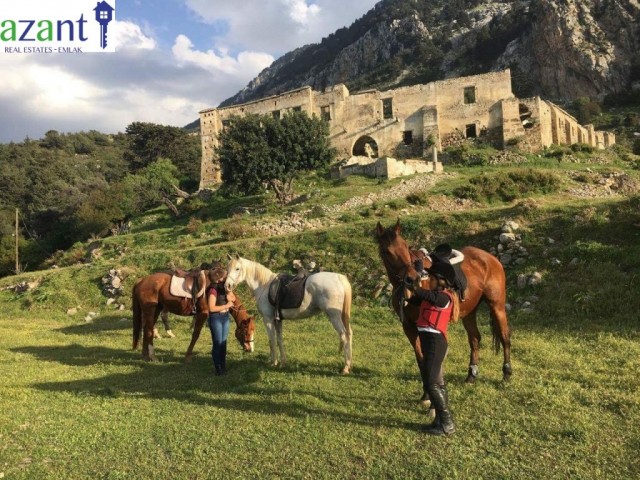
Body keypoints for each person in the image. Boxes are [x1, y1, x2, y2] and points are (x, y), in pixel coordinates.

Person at [407, 261, 458, 435]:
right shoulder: (432, 294)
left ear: (442, 281)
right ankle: (439, 421)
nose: (431, 281)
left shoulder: (445, 297)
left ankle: (447, 423)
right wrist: (407, 287)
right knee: (436, 381)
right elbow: (413, 299)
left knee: (430, 382)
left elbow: (426, 295)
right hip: (428, 341)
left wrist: (416, 286)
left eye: (433, 278)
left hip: (436, 342)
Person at [207, 279, 236, 376]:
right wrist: (226, 305)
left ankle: (223, 366)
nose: (223, 279)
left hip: (225, 317)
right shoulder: (213, 290)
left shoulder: (225, 287)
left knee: (223, 343)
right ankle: (218, 369)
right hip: (216, 317)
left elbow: (234, 298)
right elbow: (211, 308)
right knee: (217, 343)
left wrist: (229, 294)